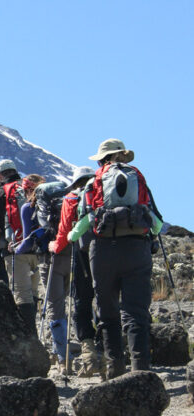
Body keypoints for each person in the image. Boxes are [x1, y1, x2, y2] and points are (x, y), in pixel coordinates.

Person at [67, 139, 162, 378]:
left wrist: (71, 235)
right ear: (123, 157)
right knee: (136, 313)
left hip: (103, 252)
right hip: (136, 250)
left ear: (102, 160)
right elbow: (156, 223)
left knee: (108, 315)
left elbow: (84, 220)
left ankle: (115, 373)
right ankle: (141, 372)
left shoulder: (93, 182)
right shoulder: (138, 178)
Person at [49, 166, 103, 377]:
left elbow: (64, 230)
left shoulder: (72, 198)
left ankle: (88, 359)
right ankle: (108, 353)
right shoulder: (102, 192)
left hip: (82, 254)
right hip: (108, 251)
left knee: (81, 300)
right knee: (104, 300)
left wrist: (56, 246)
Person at [0, 160, 40, 332]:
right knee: (34, 293)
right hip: (39, 249)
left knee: (22, 295)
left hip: (14, 250)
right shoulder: (32, 188)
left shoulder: (0, 194)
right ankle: (35, 332)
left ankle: (29, 337)